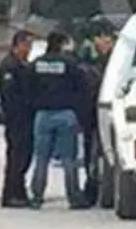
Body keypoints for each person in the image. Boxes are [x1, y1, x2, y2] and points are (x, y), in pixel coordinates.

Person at [27, 31, 90, 210]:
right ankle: (74, 197)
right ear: (62, 44)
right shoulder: (69, 63)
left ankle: (37, 197)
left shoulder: (37, 64)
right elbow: (82, 86)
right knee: (69, 159)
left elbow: (28, 87)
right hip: (66, 114)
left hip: (43, 114)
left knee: (41, 159)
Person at [79, 21, 116, 204]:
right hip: (92, 117)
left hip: (105, 115)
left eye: (104, 39)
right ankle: (93, 187)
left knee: (103, 153)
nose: (99, 43)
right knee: (92, 154)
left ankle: (99, 189)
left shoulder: (113, 63)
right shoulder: (94, 63)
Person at [0, 31, 34, 208]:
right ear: (18, 45)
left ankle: (19, 192)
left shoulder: (22, 64)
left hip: (25, 118)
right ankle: (11, 194)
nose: (29, 49)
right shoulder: (9, 66)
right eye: (27, 45)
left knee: (24, 156)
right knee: (16, 157)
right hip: (16, 119)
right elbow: (9, 95)